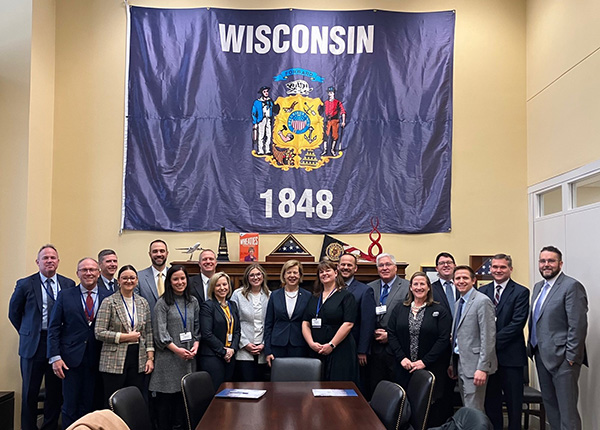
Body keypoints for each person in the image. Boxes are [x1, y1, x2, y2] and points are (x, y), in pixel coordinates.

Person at [8, 244, 75, 430]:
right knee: (30, 392)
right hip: (34, 345)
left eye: (53, 257)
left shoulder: (68, 284)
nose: (49, 261)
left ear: (58, 261)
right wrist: (28, 332)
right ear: (38, 262)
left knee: (55, 393)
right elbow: (14, 312)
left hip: (58, 345)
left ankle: (50, 427)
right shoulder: (25, 284)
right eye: (45, 258)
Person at [527, 246, 588, 430]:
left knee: (567, 412)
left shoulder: (571, 286)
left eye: (551, 261)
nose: (546, 265)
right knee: (551, 408)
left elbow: (577, 325)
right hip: (541, 356)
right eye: (542, 261)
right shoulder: (538, 287)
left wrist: (571, 357)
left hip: (564, 360)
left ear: (560, 264)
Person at [47, 257, 111, 428]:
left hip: (99, 359)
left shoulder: (109, 296)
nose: (88, 273)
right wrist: (55, 357)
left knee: (93, 406)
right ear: (77, 274)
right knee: (70, 406)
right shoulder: (65, 295)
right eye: (84, 270)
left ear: (98, 273)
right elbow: (54, 328)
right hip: (70, 360)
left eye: (92, 269)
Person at [387, 272, 451, 425]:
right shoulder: (399, 308)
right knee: (404, 408)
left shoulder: (439, 311)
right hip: (404, 367)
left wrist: (424, 361)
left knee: (429, 408)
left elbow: (443, 339)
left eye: (423, 284)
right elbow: (391, 333)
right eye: (415, 284)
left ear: (429, 287)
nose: (419, 287)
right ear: (410, 287)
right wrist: (402, 358)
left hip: (431, 368)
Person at [479, 254, 529, 430]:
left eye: (502, 267)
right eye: (495, 267)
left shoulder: (521, 292)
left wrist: (489, 342)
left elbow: (517, 325)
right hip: (489, 360)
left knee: (514, 405)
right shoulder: (482, 291)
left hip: (511, 358)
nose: (498, 270)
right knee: (491, 403)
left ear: (510, 269)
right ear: (490, 269)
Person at [94, 265, 154, 406]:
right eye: (125, 278)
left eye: (132, 278)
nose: (129, 281)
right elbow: (99, 332)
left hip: (138, 358)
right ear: (118, 281)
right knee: (112, 401)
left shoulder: (142, 303)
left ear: (137, 281)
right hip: (114, 360)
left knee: (133, 401)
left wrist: (150, 358)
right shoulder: (109, 302)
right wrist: (125, 337)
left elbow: (148, 332)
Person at [150, 265, 200, 430]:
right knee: (166, 403)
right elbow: (160, 334)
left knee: (183, 401)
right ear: (169, 282)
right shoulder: (162, 303)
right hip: (168, 360)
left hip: (188, 360)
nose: (180, 282)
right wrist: (177, 350)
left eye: (183, 278)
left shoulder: (192, 301)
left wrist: (195, 346)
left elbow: (197, 328)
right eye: (176, 279)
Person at [449, 265, 497, 412]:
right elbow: (457, 336)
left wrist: (483, 368)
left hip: (476, 366)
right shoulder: (459, 303)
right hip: (461, 363)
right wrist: (452, 363)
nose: (461, 281)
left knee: (474, 410)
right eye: (457, 278)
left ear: (473, 280)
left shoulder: (482, 301)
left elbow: (488, 337)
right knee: (467, 409)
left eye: (465, 278)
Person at [302, 260, 358, 383]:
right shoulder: (314, 297)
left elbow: (348, 323)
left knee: (338, 389)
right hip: (316, 350)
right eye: (321, 272)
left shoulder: (346, 296)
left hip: (340, 350)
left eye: (328, 270)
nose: (324, 274)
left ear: (336, 273)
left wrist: (331, 345)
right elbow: (305, 322)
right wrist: (311, 343)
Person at [366, 253, 410, 398]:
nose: (384, 268)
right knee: (375, 387)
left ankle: (397, 419)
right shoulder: (369, 288)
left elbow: (409, 318)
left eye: (388, 264)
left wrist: (389, 336)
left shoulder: (408, 286)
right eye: (381, 265)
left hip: (397, 347)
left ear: (395, 268)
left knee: (397, 388)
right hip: (374, 348)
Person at [338, 253, 376, 391]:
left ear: (355, 269)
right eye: (343, 264)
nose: (345, 267)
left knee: (353, 386)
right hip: (333, 346)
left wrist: (362, 350)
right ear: (338, 267)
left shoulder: (364, 290)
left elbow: (368, 323)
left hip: (353, 347)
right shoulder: (330, 288)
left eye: (349, 265)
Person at [264, 260, 311, 366]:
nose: (292, 276)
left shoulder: (308, 296)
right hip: (277, 345)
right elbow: (268, 324)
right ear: (284, 275)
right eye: (289, 272)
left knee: (297, 378)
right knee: (279, 379)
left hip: (299, 345)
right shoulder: (275, 295)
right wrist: (268, 350)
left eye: (295, 272)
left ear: (300, 275)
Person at [430, 252, 459, 423]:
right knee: (441, 391)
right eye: (442, 263)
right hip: (440, 348)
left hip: (462, 347)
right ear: (436, 268)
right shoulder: (430, 289)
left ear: (454, 265)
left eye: (449, 262)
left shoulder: (464, 286)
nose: (446, 265)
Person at [199, 272, 241, 391]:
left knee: (228, 391)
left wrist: (232, 349)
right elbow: (207, 334)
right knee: (216, 391)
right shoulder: (208, 306)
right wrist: (223, 351)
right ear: (212, 287)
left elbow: (237, 330)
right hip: (212, 357)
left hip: (230, 356)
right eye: (218, 285)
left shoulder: (232, 305)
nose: (222, 288)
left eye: (224, 284)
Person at [230, 264, 270, 381]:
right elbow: (234, 322)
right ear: (247, 277)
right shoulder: (237, 295)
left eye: (258, 274)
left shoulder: (270, 295)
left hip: (262, 350)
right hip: (244, 349)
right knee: (246, 386)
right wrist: (245, 343)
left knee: (262, 386)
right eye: (251, 275)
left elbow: (270, 323)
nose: (255, 277)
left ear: (263, 276)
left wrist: (264, 344)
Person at [136, 239, 169, 318]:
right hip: (149, 326)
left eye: (162, 251)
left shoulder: (175, 276)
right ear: (150, 254)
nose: (158, 254)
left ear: (167, 254)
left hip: (172, 326)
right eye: (155, 251)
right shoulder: (139, 277)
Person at [323, 86, 346, 156]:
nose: (329, 94)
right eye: (328, 93)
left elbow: (343, 112)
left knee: (335, 136)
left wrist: (343, 121)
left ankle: (332, 150)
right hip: (328, 121)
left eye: (331, 93)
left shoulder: (338, 102)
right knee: (325, 136)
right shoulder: (326, 103)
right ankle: (325, 150)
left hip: (335, 121)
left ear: (333, 93)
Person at [252, 85, 274, 155]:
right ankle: (260, 150)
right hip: (261, 120)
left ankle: (267, 150)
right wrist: (255, 122)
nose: (266, 93)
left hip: (268, 119)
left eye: (267, 91)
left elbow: (274, 108)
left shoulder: (270, 101)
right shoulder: (257, 102)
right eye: (265, 92)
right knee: (261, 135)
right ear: (262, 93)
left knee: (269, 135)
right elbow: (253, 113)